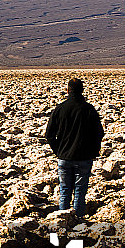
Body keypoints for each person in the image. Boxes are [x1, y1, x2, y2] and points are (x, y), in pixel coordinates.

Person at [45, 77, 104, 217]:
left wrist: (58, 151)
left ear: (67, 90)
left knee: (64, 191)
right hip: (84, 158)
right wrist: (93, 151)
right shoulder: (89, 109)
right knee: (80, 192)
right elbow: (99, 133)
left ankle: (63, 222)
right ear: (82, 91)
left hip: (64, 158)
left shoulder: (59, 109)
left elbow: (49, 135)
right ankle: (78, 223)